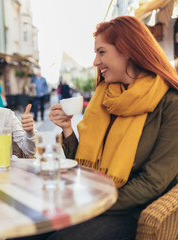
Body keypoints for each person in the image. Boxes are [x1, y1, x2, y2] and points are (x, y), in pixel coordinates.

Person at [47, 15, 178, 240]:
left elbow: (153, 182)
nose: (95, 62)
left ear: (128, 50)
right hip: (94, 197)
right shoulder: (106, 97)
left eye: (101, 52)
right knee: (27, 230)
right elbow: (85, 164)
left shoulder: (170, 103)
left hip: (134, 211)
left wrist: (93, 203)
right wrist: (68, 129)